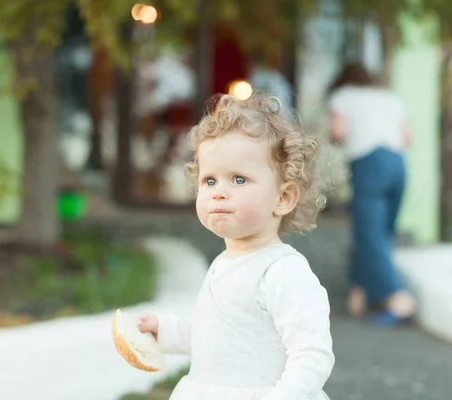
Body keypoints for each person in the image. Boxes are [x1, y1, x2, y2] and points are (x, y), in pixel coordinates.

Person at [137, 94, 336, 400]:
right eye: (210, 181)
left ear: (283, 198)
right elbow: (224, 337)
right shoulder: (224, 262)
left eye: (239, 180)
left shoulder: (283, 272)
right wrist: (165, 332)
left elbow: (312, 355)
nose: (219, 193)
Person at [328, 62, 415, 325]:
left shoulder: (342, 96)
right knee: (380, 232)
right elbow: (408, 138)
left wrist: (334, 138)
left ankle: (399, 299)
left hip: (369, 163)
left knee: (369, 233)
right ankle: (361, 294)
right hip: (398, 164)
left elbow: (338, 132)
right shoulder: (388, 97)